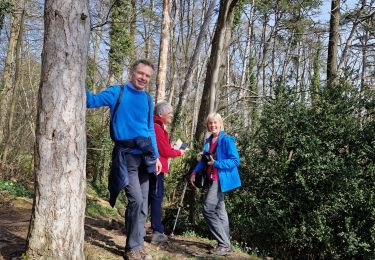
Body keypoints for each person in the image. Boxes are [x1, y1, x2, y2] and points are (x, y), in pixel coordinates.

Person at [86, 59, 162, 260]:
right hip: (126, 156)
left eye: (147, 76)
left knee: (143, 202)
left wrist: (157, 156)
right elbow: (90, 101)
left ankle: (137, 245)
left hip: (146, 158)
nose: (143, 78)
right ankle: (131, 248)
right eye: (140, 73)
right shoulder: (117, 92)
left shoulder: (147, 99)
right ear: (132, 72)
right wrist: (78, 79)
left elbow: (149, 130)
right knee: (136, 199)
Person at [190, 112, 241, 256]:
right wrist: (194, 173)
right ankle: (225, 245)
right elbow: (203, 160)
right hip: (211, 178)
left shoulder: (226, 140)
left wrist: (217, 163)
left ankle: (224, 244)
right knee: (220, 211)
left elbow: (235, 160)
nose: (212, 125)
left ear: (220, 124)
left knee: (207, 209)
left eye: (215, 123)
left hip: (220, 179)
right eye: (210, 123)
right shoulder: (209, 140)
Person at [149, 101, 185, 244]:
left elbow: (162, 148)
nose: (171, 115)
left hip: (155, 167)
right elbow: (164, 151)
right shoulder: (157, 128)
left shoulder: (158, 127)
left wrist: (170, 148)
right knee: (156, 198)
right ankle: (157, 231)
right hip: (156, 169)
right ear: (160, 114)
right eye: (169, 113)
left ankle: (133, 226)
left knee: (148, 197)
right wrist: (179, 152)